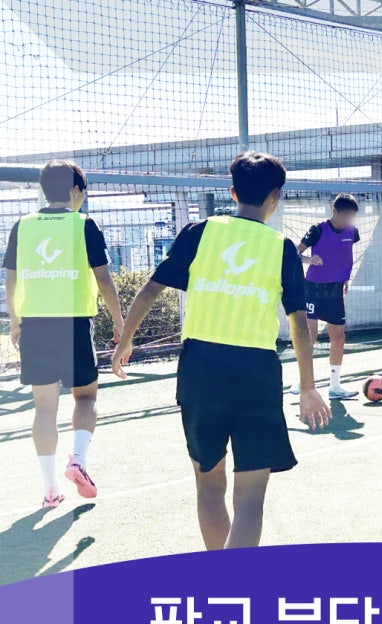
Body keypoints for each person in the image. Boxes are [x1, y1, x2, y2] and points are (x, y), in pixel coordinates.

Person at [111, 151, 330, 549]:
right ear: (275, 196)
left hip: (201, 368)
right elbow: (299, 324)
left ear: (233, 192)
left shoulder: (199, 232)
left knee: (209, 487)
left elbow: (150, 290)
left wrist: (125, 340)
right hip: (257, 372)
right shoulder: (281, 248)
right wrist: (308, 387)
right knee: (251, 500)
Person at [3, 159, 124, 508]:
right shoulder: (84, 224)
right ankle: (78, 461)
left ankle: (50, 488)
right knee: (85, 398)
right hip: (73, 324)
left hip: (35, 325)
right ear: (74, 190)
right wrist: (119, 320)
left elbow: (11, 279)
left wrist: (15, 321)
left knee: (44, 408)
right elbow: (103, 278)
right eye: (83, 191)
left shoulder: (22, 225)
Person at [289, 193, 360, 399]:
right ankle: (303, 380)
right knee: (310, 336)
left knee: (338, 337)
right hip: (313, 289)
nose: (348, 220)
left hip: (335, 291)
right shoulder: (317, 230)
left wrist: (344, 277)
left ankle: (335, 386)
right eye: (345, 215)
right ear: (334, 211)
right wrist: (309, 259)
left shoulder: (352, 232)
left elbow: (344, 254)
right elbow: (294, 253)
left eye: (351, 216)